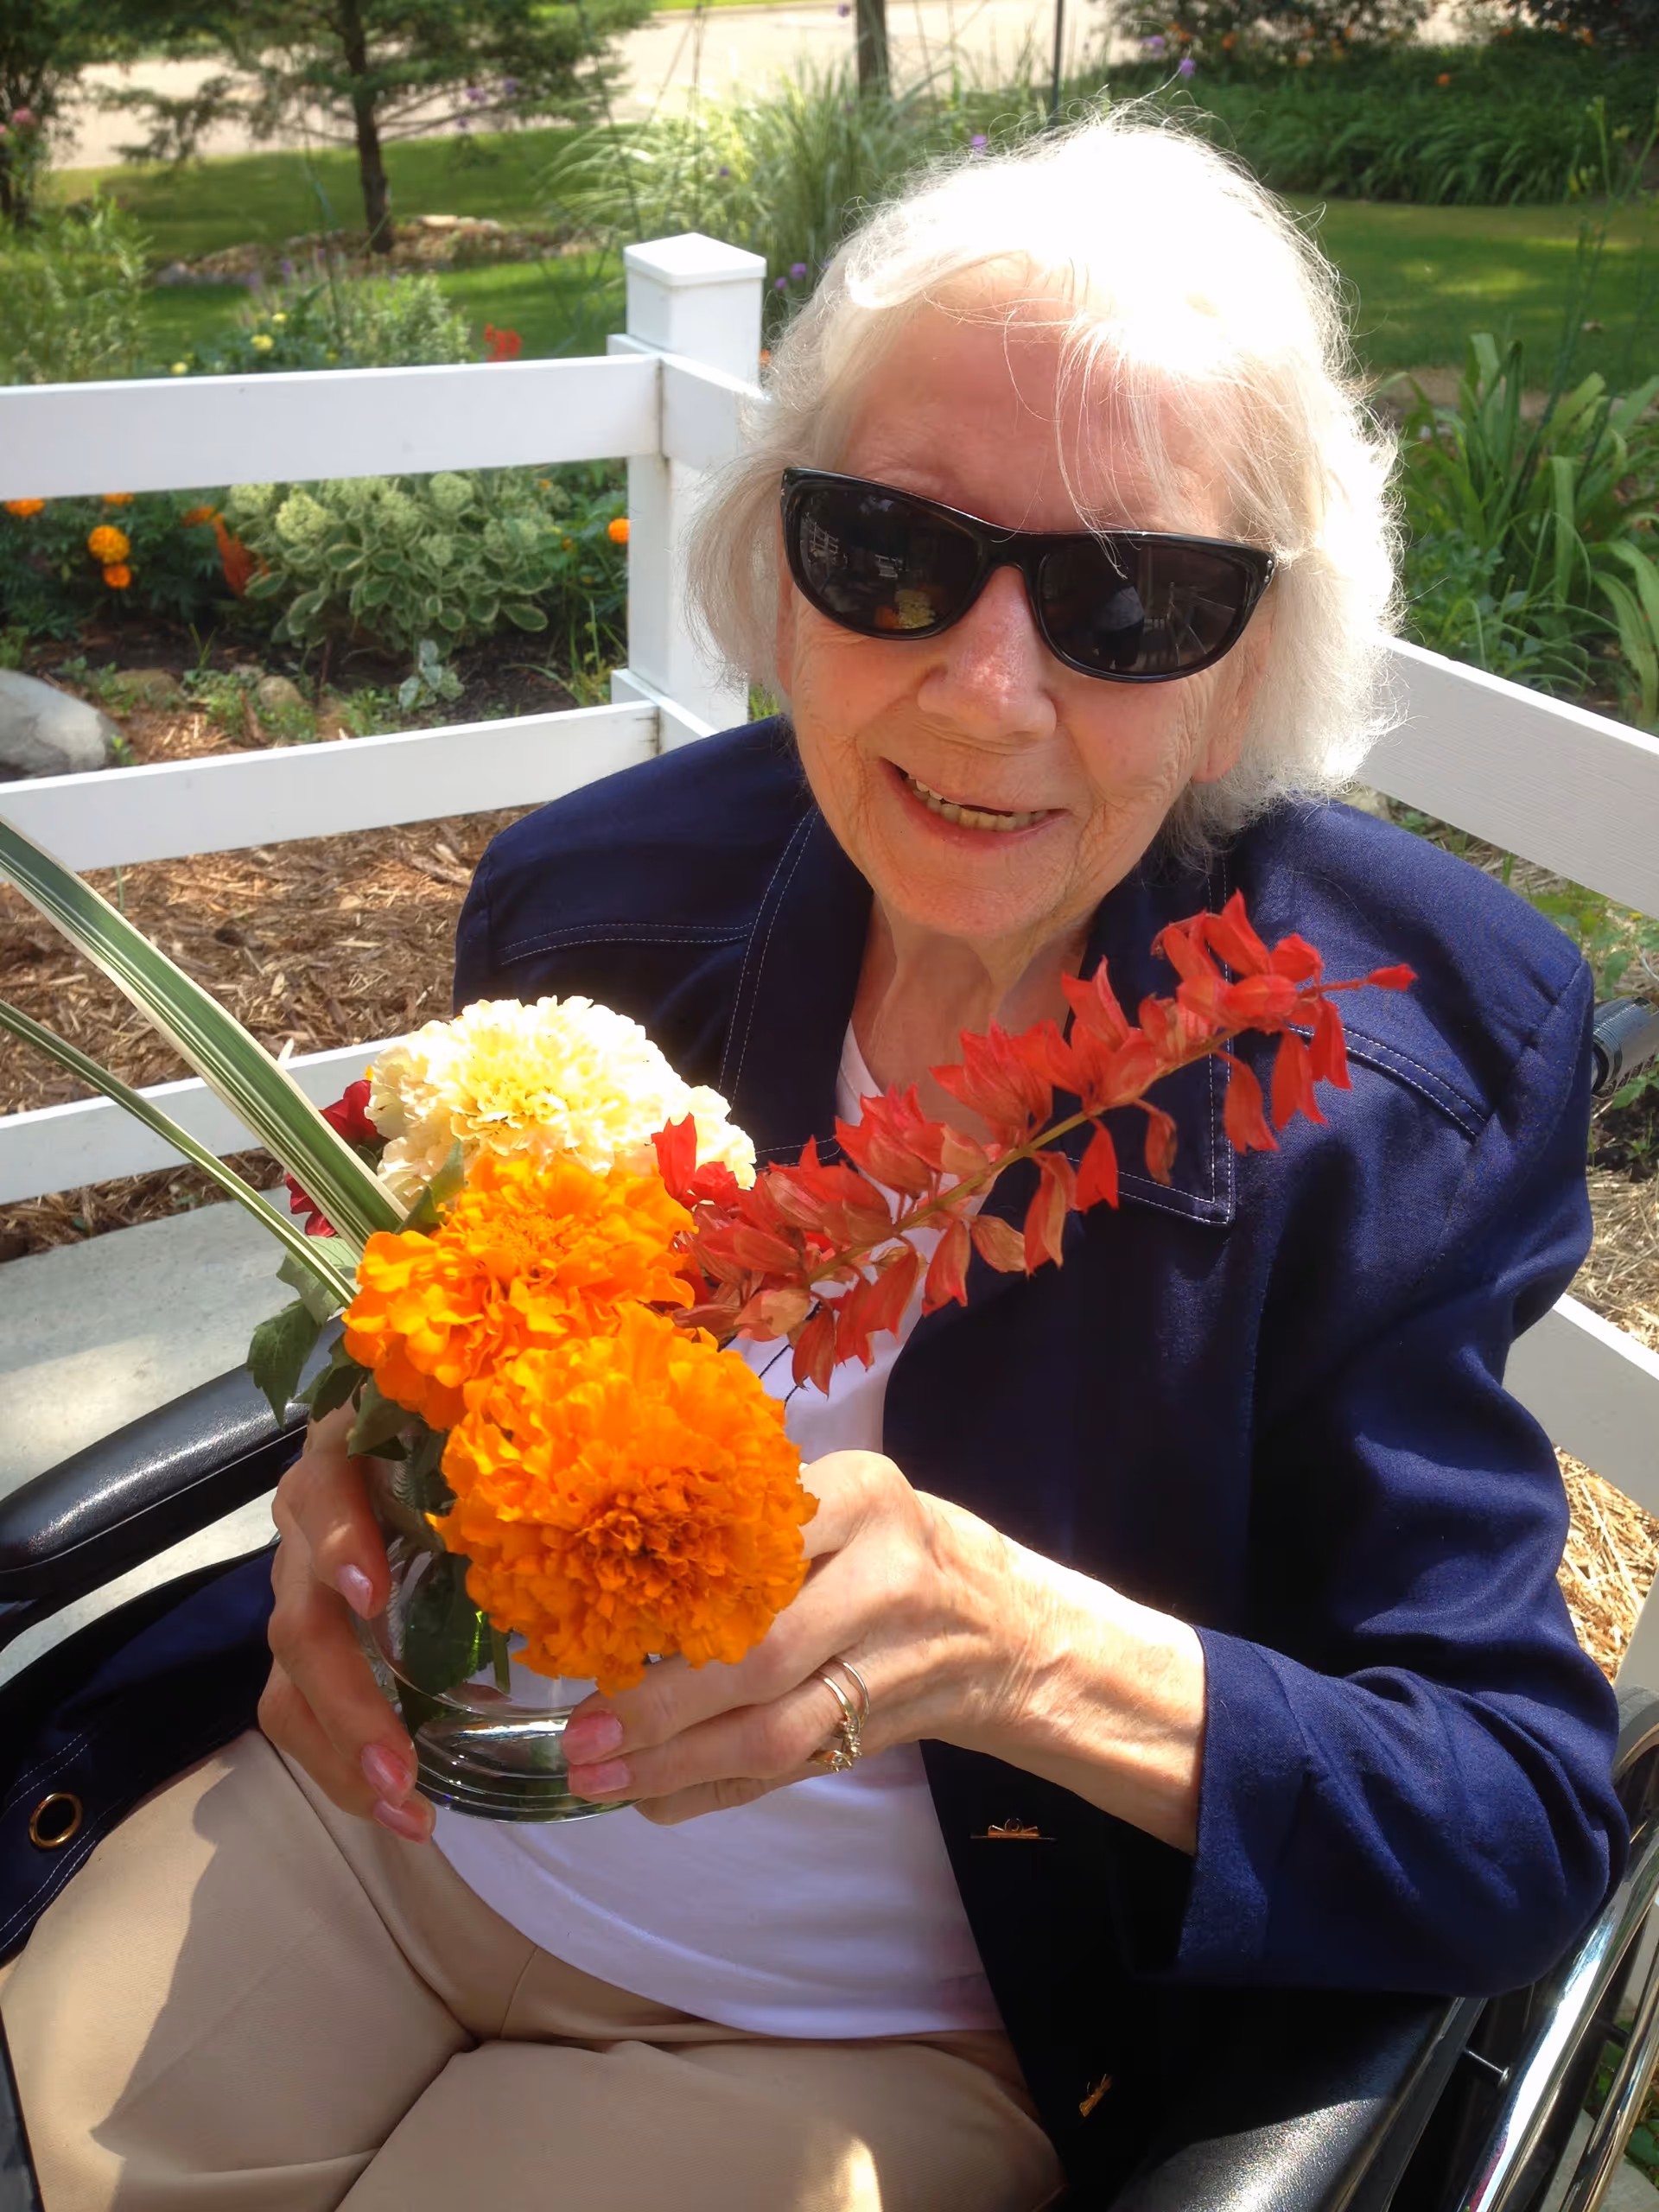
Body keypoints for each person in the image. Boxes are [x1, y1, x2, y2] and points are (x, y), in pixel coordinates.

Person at [1, 110, 1624, 2212]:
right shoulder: (599, 901)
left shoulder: (1379, 1083)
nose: (984, 683)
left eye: (1133, 597)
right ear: (782, 562)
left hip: (877, 2029)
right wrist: (363, 1470)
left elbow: (1506, 1814)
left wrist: (1025, 1645)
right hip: (392, 1823)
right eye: (893, 549)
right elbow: (442, 1333)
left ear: (1239, 682)